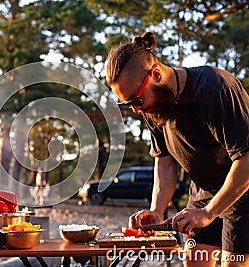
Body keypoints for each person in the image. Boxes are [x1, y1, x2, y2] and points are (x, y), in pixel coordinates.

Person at [106, 32, 248, 266]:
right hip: (203, 194)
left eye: (136, 101)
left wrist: (210, 213)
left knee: (233, 263)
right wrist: (156, 209)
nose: (135, 110)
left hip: (242, 191)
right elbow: (165, 161)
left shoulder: (214, 87)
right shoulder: (153, 108)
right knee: (193, 260)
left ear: (156, 74)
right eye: (127, 104)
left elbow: (247, 158)